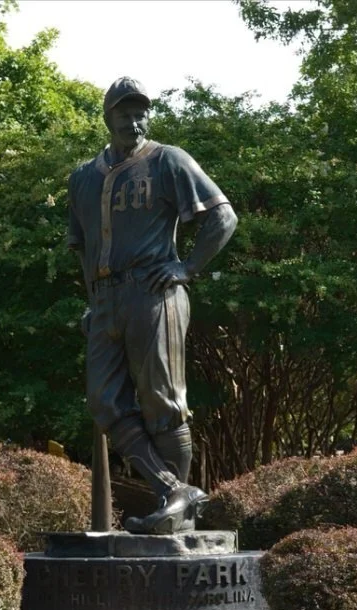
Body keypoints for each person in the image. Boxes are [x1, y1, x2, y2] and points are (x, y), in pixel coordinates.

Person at [67, 77, 237, 534]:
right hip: (105, 301)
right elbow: (82, 247)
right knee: (104, 403)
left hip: (154, 292)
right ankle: (173, 492)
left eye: (141, 111)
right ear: (108, 117)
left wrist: (187, 267)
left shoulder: (168, 160)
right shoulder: (83, 177)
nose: (134, 120)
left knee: (162, 402)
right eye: (124, 112)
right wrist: (92, 301)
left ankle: (177, 518)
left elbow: (224, 216)